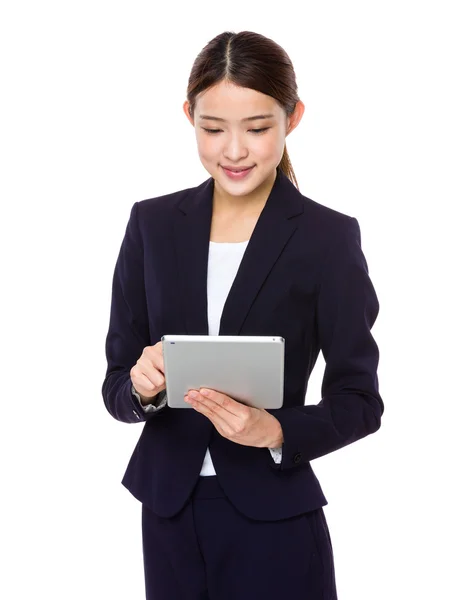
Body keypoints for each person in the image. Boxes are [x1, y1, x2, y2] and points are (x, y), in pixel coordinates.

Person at [101, 30, 384, 600]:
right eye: (212, 129)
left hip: (274, 514)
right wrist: (142, 387)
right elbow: (115, 388)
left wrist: (275, 429)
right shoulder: (151, 226)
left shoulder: (327, 238)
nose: (234, 151)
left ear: (293, 118)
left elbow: (360, 400)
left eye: (257, 129)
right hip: (169, 510)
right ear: (189, 116)